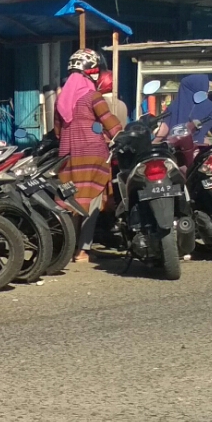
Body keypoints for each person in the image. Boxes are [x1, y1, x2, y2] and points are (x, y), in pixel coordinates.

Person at [55, 49, 123, 264]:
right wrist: (119, 134)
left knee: (70, 202)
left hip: (67, 156)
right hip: (93, 155)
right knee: (91, 202)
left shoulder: (61, 99)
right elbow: (109, 122)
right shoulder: (93, 96)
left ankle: (68, 248)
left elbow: (57, 131)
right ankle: (82, 250)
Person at [156, 74, 212, 146]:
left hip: (174, 146)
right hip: (197, 146)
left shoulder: (174, 105)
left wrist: (154, 142)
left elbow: (164, 128)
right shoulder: (209, 106)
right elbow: (209, 131)